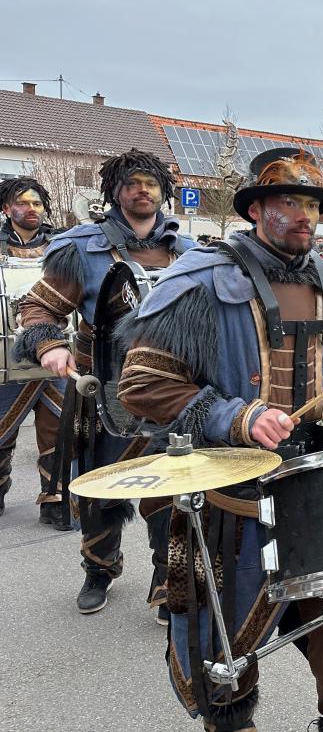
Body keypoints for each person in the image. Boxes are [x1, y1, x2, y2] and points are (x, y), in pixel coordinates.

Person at [115, 146, 323, 732]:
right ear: (256, 209)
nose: (304, 215)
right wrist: (236, 416)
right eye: (289, 200)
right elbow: (141, 383)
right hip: (227, 506)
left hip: (312, 491)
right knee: (225, 656)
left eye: (312, 203)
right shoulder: (201, 279)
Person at [16, 148, 195, 617]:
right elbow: (38, 308)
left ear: (164, 191)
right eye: (132, 182)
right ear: (114, 191)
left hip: (171, 391)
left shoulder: (190, 252)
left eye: (151, 182)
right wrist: (50, 346)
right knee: (99, 490)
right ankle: (99, 568)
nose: (142, 190)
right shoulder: (81, 246)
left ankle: (167, 579)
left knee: (173, 492)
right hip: (103, 388)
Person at [0, 177, 67, 528]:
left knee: (57, 427)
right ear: (6, 209)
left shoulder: (63, 246)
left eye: (37, 203)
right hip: (4, 354)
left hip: (54, 348)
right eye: (22, 203)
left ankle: (54, 498)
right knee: (2, 429)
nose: (31, 209)